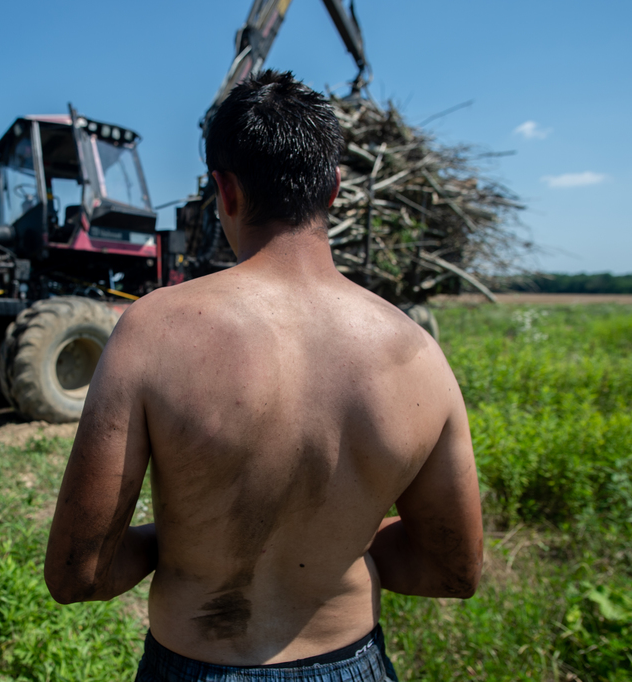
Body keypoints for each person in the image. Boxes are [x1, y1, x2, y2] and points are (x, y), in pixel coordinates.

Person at [44, 70, 483, 682]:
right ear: (333, 189)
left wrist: (179, 538)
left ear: (225, 190)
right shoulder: (417, 353)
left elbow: (78, 574)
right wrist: (338, 542)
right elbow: (453, 570)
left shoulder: (152, 331)